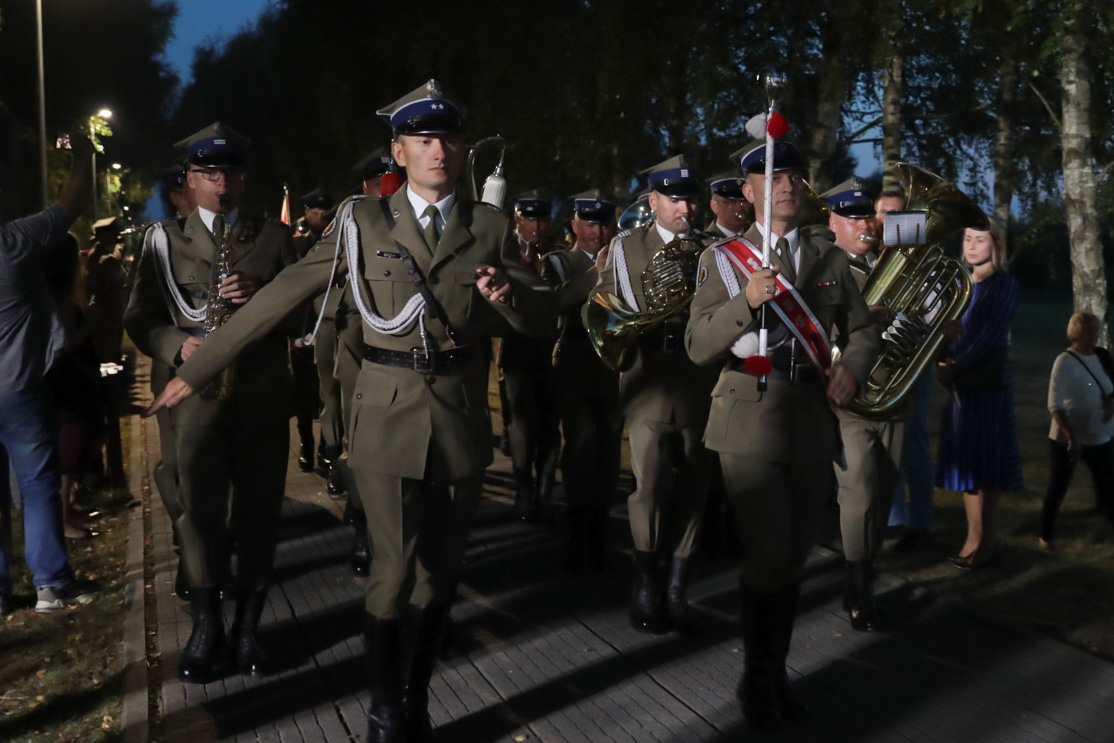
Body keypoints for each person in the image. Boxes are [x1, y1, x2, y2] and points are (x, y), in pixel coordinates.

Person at [144, 80, 552, 742]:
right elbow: (281, 295)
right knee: (392, 573)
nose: (438, 151)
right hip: (387, 414)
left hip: (458, 416)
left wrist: (509, 295)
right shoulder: (362, 222)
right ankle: (385, 711)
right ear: (400, 150)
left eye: (448, 140)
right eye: (423, 140)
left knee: (440, 576)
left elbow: (539, 316)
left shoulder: (489, 227)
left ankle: (416, 698)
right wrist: (195, 369)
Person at [685, 139, 880, 727]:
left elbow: (862, 331)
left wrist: (853, 367)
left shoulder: (829, 257)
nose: (788, 185)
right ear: (749, 192)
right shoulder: (724, 260)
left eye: (794, 175)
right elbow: (698, 345)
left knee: (793, 556)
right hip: (748, 413)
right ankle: (755, 681)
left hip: (810, 415)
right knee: (769, 551)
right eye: (774, 177)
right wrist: (745, 301)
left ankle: (772, 673)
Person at [125, 122, 298, 682]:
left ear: (244, 181)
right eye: (210, 173)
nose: (222, 184)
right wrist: (176, 346)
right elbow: (139, 316)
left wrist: (264, 298)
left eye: (231, 174)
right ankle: (206, 625)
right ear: (191, 180)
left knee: (259, 510)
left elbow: (305, 317)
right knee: (197, 510)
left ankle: (248, 625)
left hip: (258, 396)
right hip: (193, 397)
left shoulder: (273, 238)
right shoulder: (161, 241)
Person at [588, 154, 718, 633]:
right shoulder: (627, 248)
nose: (686, 208)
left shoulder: (714, 249)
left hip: (699, 376)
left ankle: (678, 583)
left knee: (696, 482)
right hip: (648, 374)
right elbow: (603, 303)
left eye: (691, 199)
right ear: (654, 200)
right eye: (675, 199)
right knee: (649, 486)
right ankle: (646, 579)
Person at [0, 135, 99, 614]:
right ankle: (51, 583)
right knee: (39, 487)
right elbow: (71, 203)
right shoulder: (13, 242)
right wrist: (83, 154)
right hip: (19, 389)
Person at [819, 178, 899, 632]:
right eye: (853, 218)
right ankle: (858, 587)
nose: (866, 224)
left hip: (895, 395)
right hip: (850, 400)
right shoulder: (824, 268)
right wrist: (862, 319)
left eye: (868, 215)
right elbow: (814, 325)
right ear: (833, 223)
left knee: (883, 494)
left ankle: (863, 575)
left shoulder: (893, 265)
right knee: (859, 492)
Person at [935, 226, 1023, 569]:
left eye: (980, 239)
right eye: (967, 239)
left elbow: (990, 336)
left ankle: (986, 542)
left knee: (986, 465)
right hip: (959, 386)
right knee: (966, 466)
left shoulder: (1003, 284)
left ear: (995, 244)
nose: (971, 246)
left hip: (985, 386)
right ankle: (973, 538)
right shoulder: (959, 284)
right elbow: (943, 330)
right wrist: (941, 355)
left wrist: (955, 365)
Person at [550, 189, 623, 571]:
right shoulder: (560, 261)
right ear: (575, 225)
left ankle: (600, 529)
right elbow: (555, 301)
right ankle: (577, 533)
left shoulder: (623, 259)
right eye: (590, 223)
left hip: (612, 362)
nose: (598, 232)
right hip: (576, 359)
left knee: (609, 448)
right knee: (579, 446)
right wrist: (598, 272)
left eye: (605, 224)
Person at [499, 190, 562, 521]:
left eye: (542, 220)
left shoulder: (559, 254)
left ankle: (544, 493)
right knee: (521, 424)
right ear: (517, 220)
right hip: (518, 348)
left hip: (552, 350)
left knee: (551, 426)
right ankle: (524, 488)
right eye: (529, 220)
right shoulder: (506, 254)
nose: (536, 227)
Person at [1040, 312, 1114, 547]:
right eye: (1089, 330)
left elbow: (1109, 386)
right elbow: (1055, 404)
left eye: (1096, 329)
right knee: (1058, 485)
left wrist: (1111, 402)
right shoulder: (1064, 361)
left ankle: (1107, 519)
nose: (1095, 334)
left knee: (1107, 480)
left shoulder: (1102, 356)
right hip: (1068, 438)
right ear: (1075, 334)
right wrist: (1070, 435)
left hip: (1099, 433)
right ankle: (1046, 535)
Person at [290, 187, 333, 475]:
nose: (320, 218)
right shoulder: (296, 247)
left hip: (330, 329)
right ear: (306, 214)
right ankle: (306, 446)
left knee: (330, 395)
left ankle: (326, 448)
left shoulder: (340, 242)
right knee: (304, 396)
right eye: (315, 213)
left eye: (324, 213)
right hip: (303, 330)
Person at [705, 172, 753, 238]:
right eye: (731, 202)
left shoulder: (758, 239)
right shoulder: (702, 242)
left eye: (744, 202)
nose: (739, 208)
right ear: (714, 206)